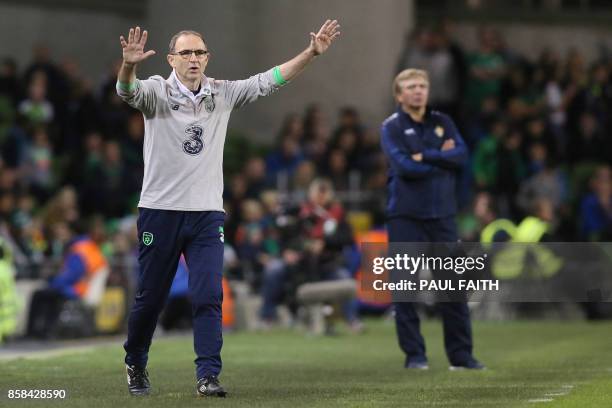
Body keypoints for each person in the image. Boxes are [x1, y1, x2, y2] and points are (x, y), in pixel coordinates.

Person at [116, 21, 340, 397]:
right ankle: (135, 360)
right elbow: (127, 92)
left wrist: (311, 54)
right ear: (171, 59)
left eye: (199, 52)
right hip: (161, 211)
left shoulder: (222, 92)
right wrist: (128, 66)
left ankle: (207, 375)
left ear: (207, 58)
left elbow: (269, 80)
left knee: (208, 294)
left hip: (206, 214)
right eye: (185, 52)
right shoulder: (156, 91)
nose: (193, 58)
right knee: (150, 298)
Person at [380, 68, 484, 370]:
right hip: (405, 217)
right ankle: (415, 356)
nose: (418, 91)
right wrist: (440, 158)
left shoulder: (443, 122)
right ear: (399, 95)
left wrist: (423, 156)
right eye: (411, 86)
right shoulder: (391, 127)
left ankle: (462, 357)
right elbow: (403, 167)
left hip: (443, 217)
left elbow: (462, 157)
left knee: (452, 289)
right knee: (405, 289)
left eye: (422, 85)